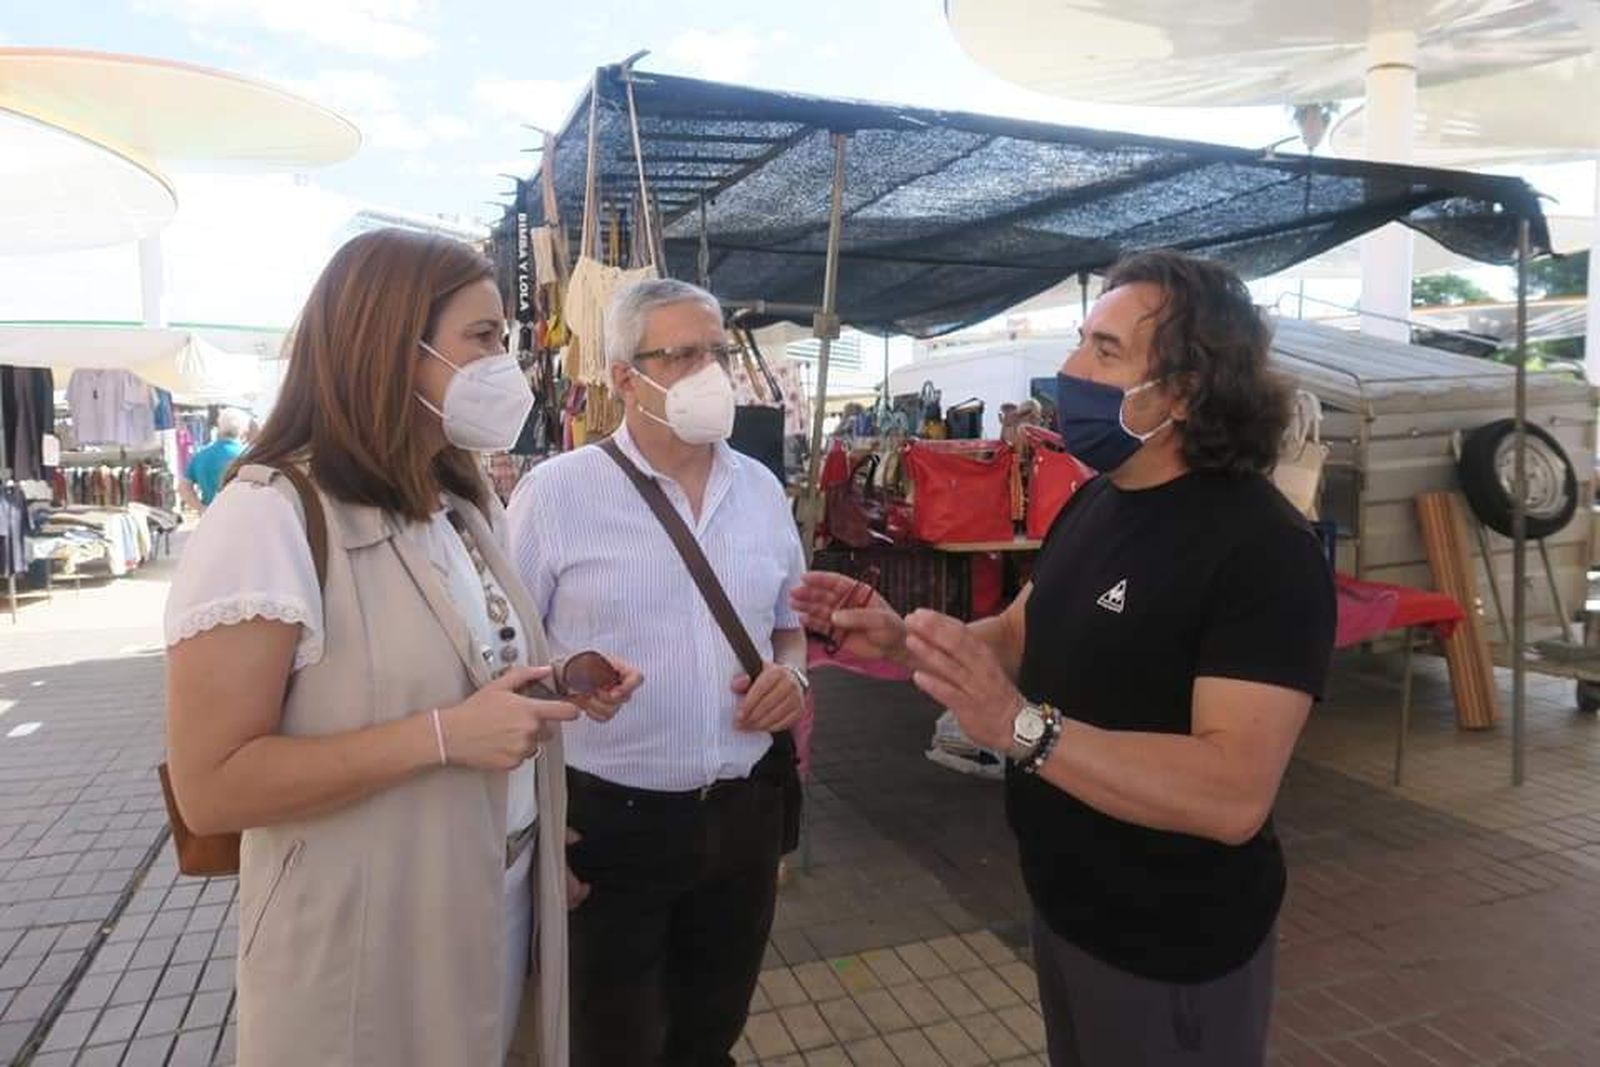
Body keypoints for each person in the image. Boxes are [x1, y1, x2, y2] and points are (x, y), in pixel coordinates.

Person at [793, 249, 1335, 1067]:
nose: (1069, 368)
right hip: (1066, 907)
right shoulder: (1098, 499)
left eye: (1105, 351)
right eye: (1082, 341)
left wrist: (1024, 731)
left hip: (1174, 945)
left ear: (1185, 389)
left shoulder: (1262, 549)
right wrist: (904, 637)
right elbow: (1017, 634)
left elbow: (1232, 792)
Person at [164, 228, 640, 1066]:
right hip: (365, 942)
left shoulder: (460, 503)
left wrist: (553, 680)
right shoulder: (270, 518)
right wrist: (443, 737)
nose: (508, 361)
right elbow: (212, 787)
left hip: (498, 899)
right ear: (392, 346)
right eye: (483, 337)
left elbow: (467, 676)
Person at [508, 277, 808, 1067]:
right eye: (679, 354)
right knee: (612, 1041)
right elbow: (499, 657)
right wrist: (566, 675)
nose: (708, 371)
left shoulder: (762, 491)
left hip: (744, 814)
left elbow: (789, 623)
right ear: (623, 379)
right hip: (611, 825)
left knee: (714, 1026)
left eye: (716, 351)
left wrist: (794, 676)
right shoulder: (556, 494)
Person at [179, 406, 250, 511]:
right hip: (241, 516)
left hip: (210, 517)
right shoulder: (248, 456)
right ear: (243, 430)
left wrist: (201, 508)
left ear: (220, 427)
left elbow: (184, 488)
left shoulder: (200, 455)